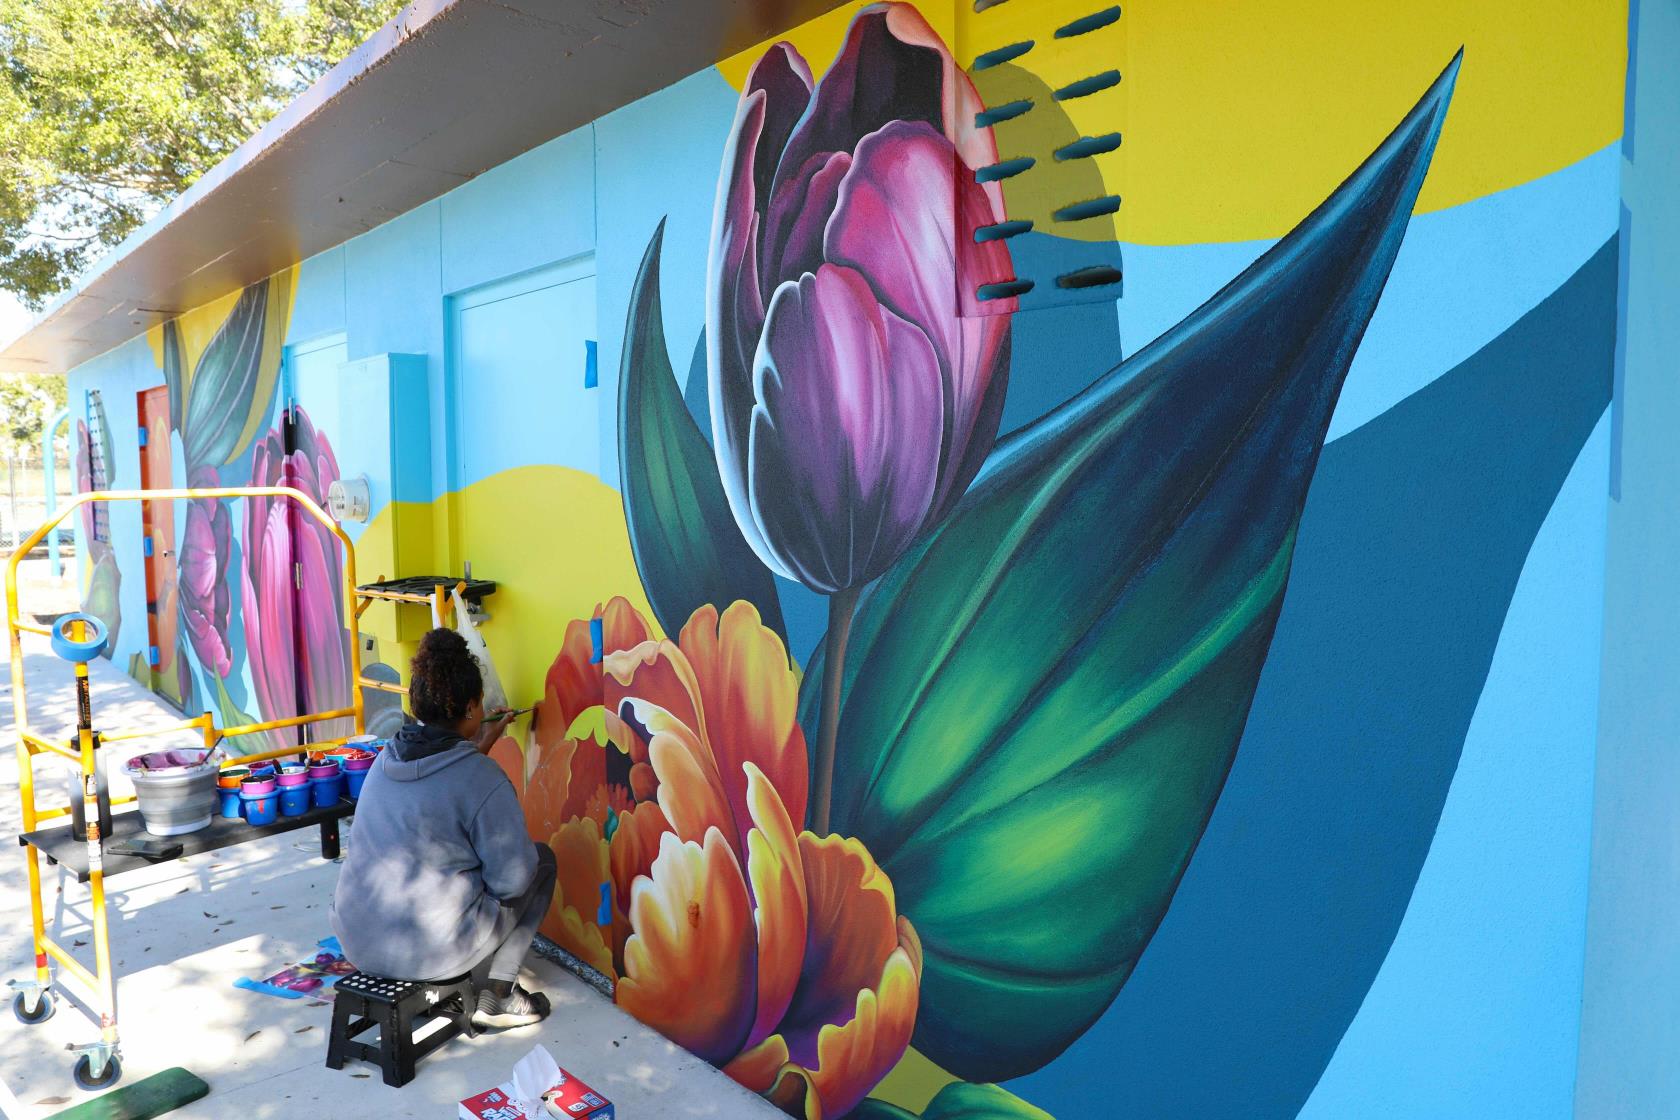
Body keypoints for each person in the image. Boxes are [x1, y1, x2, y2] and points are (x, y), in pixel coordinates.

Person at [331, 627, 555, 1029]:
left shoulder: (387, 758)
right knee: (541, 863)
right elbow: (513, 880)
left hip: (358, 940)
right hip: (431, 954)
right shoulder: (481, 778)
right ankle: (501, 994)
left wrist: (483, 741)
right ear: (471, 708)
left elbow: (441, 780)